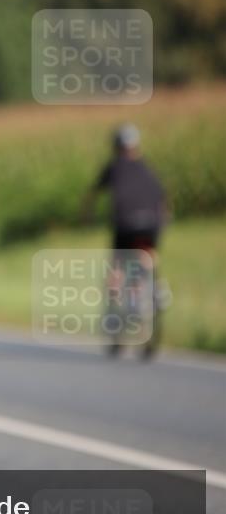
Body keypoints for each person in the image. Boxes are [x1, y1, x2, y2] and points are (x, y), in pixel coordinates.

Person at [85, 124, 169, 355]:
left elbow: (92, 195)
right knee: (147, 255)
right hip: (152, 224)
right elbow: (163, 200)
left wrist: (87, 216)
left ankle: (116, 320)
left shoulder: (114, 167)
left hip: (125, 224)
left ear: (116, 146)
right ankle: (157, 289)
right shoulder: (147, 167)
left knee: (117, 270)